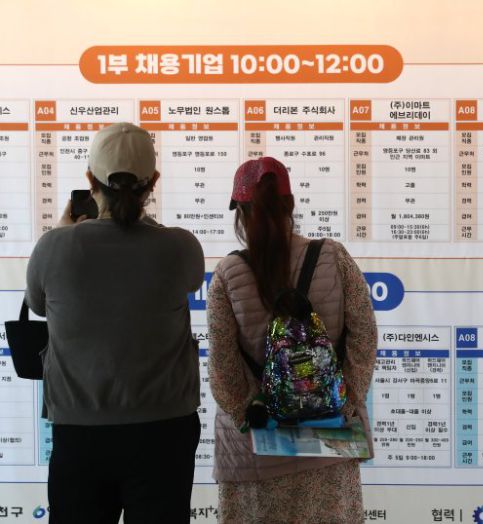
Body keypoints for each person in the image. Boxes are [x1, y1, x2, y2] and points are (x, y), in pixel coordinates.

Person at [25, 122, 204, 524]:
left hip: (80, 432)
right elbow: (182, 276)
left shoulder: (54, 247)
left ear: (91, 180)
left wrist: (67, 230)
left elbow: (37, 304)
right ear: (152, 182)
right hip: (165, 432)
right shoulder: (180, 247)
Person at [207, 157, 377, 523]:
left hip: (256, 452)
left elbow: (222, 367)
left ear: (241, 212)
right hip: (329, 442)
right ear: (291, 205)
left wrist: (250, 415)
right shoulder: (333, 256)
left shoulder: (227, 274)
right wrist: (344, 401)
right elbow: (364, 335)